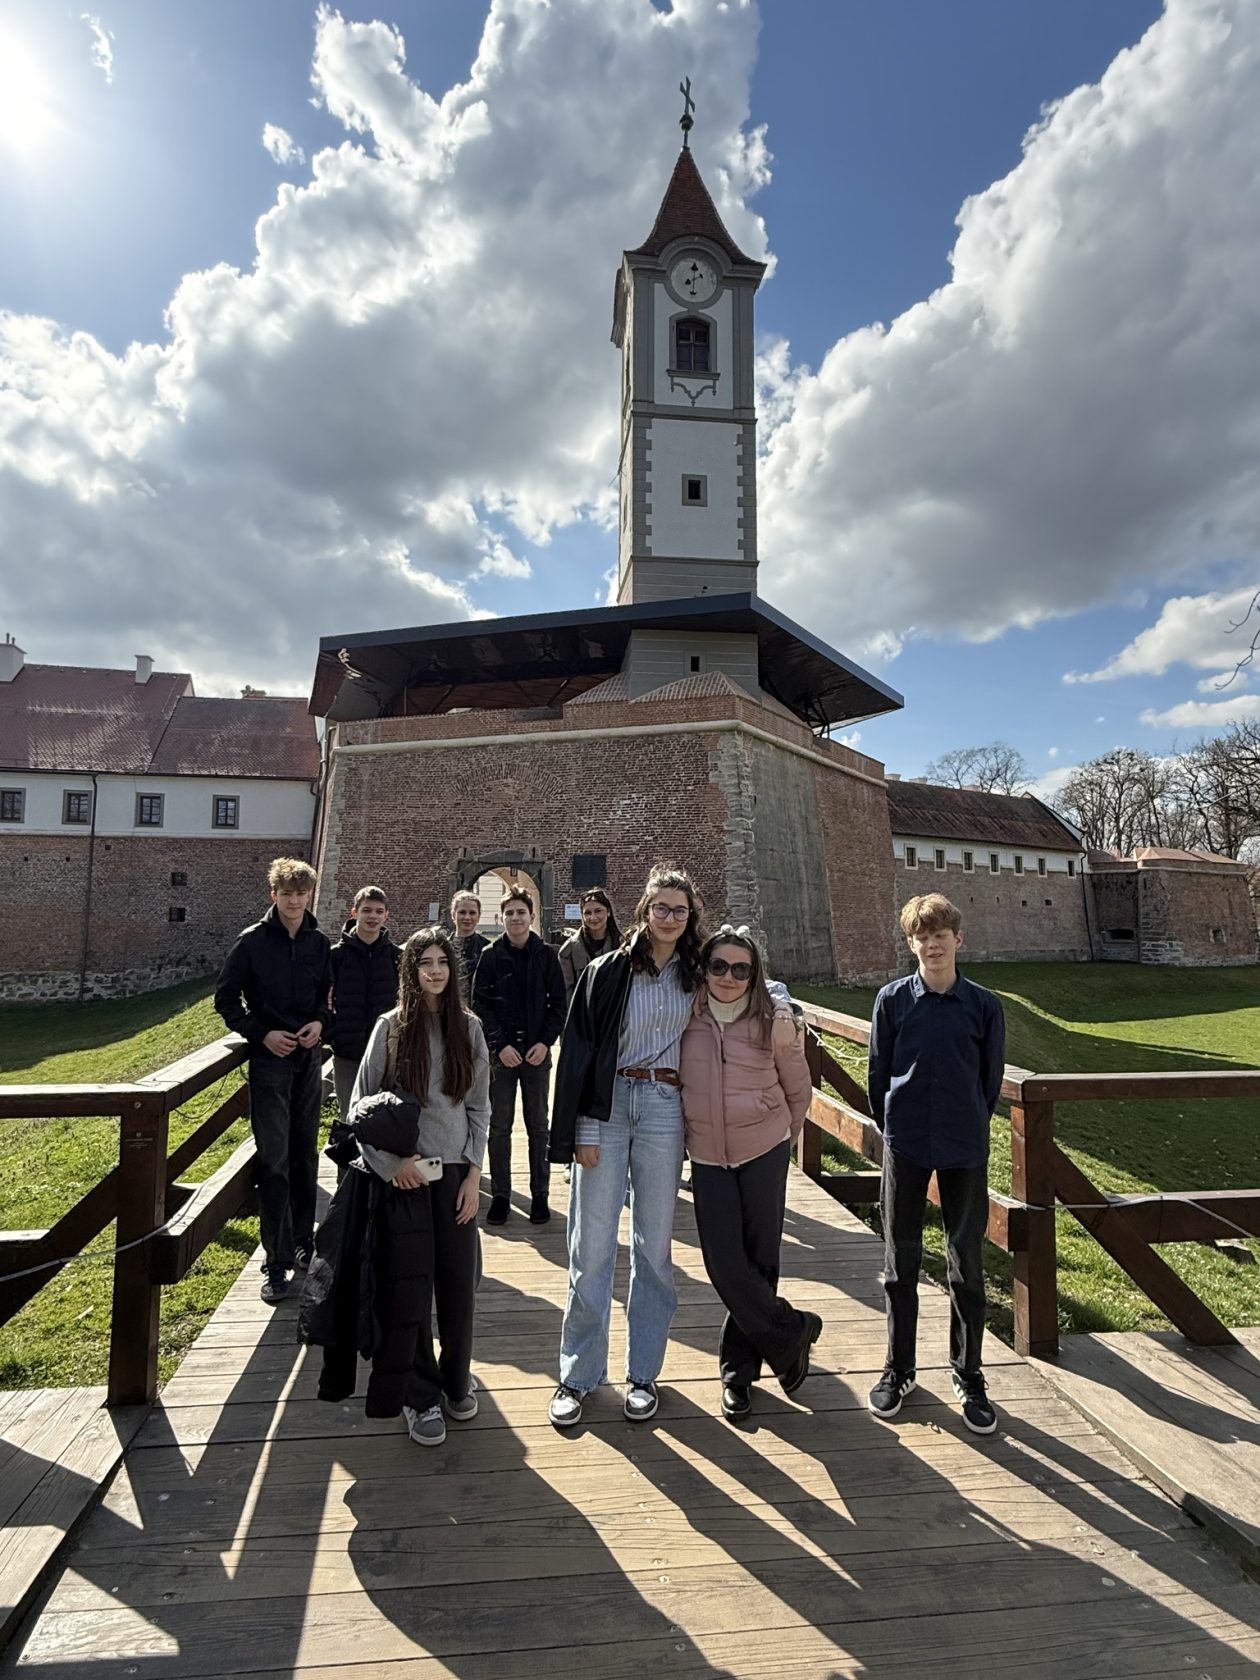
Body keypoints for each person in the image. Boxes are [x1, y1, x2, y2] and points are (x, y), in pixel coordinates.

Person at [547, 863, 702, 1426]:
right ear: (643, 910)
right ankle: (579, 1375)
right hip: (608, 1106)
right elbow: (581, 1046)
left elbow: (752, 989)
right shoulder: (609, 970)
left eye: (679, 910)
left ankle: (644, 1372)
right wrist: (583, 1127)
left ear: (690, 918)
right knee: (591, 1245)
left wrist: (784, 1007)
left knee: (654, 1248)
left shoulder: (697, 973)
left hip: (664, 1109)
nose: (668, 917)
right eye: (660, 907)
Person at [866, 892, 1006, 1436]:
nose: (931, 943)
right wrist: (896, 1122)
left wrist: (967, 1118)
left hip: (964, 1143)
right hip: (907, 1142)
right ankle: (899, 1368)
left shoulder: (983, 1006)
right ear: (911, 944)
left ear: (957, 940)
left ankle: (968, 1372)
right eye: (921, 936)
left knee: (966, 1262)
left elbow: (989, 1082)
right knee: (900, 1259)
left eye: (939, 934)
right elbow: (880, 1075)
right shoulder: (892, 1001)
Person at [347, 926, 490, 1446]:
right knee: (408, 1289)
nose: (435, 970)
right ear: (410, 971)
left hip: (452, 1173)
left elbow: (479, 1106)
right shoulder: (389, 1028)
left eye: (442, 962)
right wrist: (393, 1164)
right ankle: (419, 1395)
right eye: (424, 962)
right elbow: (360, 1106)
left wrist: (474, 1174)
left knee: (457, 1285)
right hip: (406, 1174)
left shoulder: (468, 1028)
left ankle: (455, 1380)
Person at [680, 926, 820, 1420]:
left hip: (763, 1148)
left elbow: (798, 1087)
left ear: (754, 974)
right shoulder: (686, 1014)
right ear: (704, 968)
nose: (728, 977)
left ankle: (738, 1373)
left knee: (760, 1261)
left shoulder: (773, 1021)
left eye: (741, 969)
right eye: (718, 966)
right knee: (723, 1263)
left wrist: (783, 1133)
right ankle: (791, 1330)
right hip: (707, 1154)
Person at [214, 856, 332, 1303]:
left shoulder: (320, 943)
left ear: (309, 895)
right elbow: (226, 1000)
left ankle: (304, 1243)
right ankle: (276, 1261)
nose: (295, 902)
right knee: (275, 1161)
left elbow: (325, 997)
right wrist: (262, 1034)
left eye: (301, 894)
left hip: (308, 1059)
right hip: (270, 1062)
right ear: (274, 895)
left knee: (305, 1155)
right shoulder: (251, 942)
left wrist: (320, 1023)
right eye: (287, 895)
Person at [472, 887, 566, 1226]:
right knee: (499, 1126)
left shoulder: (547, 955)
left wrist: (545, 1042)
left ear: (532, 916)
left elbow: (559, 1004)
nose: (515, 918)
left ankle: (540, 1193)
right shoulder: (490, 955)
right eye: (509, 913)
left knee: (539, 1126)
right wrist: (499, 1045)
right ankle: (501, 1194)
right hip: (503, 1056)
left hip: (537, 1054)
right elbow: (479, 1004)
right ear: (502, 918)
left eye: (521, 912)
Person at [329, 886, 401, 1125]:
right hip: (348, 1051)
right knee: (349, 1118)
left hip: (389, 1053)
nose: (373, 916)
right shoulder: (335, 957)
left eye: (379, 911)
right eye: (367, 910)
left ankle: (381, 1164)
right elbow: (323, 1000)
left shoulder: (397, 956)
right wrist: (334, 1034)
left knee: (388, 1119)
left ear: (386, 915)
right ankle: (347, 1164)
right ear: (354, 913)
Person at [557, 889, 621, 1004]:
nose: (593, 917)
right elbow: (566, 991)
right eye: (587, 913)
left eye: (598, 911)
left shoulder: (622, 947)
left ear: (608, 912)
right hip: (583, 1014)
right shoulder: (568, 951)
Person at [451, 890, 490, 998]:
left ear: (478, 916)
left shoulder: (488, 949)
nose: (467, 917)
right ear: (453, 915)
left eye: (472, 913)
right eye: (462, 912)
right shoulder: (443, 947)